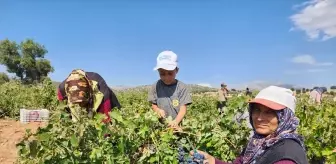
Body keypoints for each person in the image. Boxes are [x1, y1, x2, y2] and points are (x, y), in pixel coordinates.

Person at [192, 86, 308, 164]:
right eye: (256, 110)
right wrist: (213, 161)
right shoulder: (260, 142)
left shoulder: (286, 157)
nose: (259, 117)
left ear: (285, 117)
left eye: (269, 112)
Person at [148, 50, 192, 129]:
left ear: (177, 71)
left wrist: (175, 122)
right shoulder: (155, 86)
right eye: (162, 74)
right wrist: (157, 110)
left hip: (178, 125)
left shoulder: (182, 87)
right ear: (158, 72)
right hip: (161, 126)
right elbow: (153, 104)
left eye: (170, 73)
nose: (166, 77)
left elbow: (183, 109)